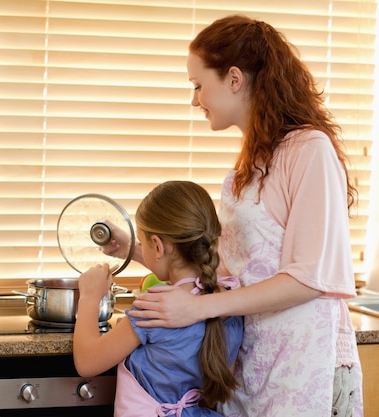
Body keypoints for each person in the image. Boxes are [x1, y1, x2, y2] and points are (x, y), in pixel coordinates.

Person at [105, 15, 362, 416]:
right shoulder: (247, 167)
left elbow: (309, 279)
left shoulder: (310, 151)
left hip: (304, 362)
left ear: (235, 79)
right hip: (251, 365)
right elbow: (224, 267)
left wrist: (198, 308)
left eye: (198, 85)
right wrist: (135, 252)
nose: (194, 99)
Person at [73, 180, 244, 417]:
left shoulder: (155, 308)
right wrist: (132, 249)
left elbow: (87, 362)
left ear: (157, 246)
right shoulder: (229, 300)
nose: (140, 248)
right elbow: (180, 270)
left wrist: (89, 298)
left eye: (142, 242)